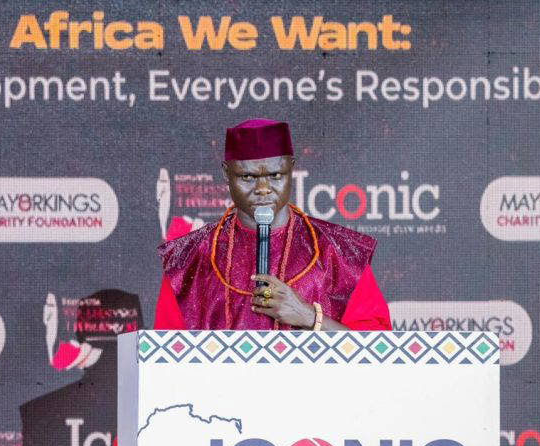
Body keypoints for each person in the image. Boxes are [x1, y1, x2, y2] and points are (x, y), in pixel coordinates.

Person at [154, 119, 392, 331]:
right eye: (248, 177)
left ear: (291, 168)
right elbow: (164, 352)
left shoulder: (337, 252)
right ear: (227, 174)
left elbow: (377, 349)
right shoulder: (190, 258)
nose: (263, 189)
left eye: (276, 175)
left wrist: (309, 317)